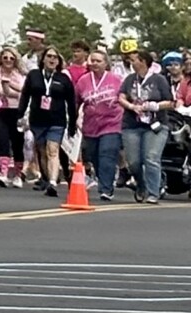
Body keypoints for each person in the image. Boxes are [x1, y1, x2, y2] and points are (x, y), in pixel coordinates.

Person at [19, 45, 77, 194]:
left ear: (59, 61)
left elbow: (71, 102)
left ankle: (52, 182)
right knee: (42, 151)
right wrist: (20, 113)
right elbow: (25, 95)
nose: (52, 59)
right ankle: (46, 177)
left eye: (55, 57)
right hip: (37, 119)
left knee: (53, 149)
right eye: (49, 56)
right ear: (43, 59)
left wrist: (72, 123)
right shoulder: (34, 75)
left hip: (57, 120)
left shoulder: (63, 78)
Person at [74, 42, 125, 201]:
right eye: (92, 61)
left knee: (107, 154)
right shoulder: (83, 81)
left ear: (106, 64)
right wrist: (73, 120)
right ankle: (103, 179)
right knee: (94, 155)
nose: (95, 63)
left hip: (112, 124)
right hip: (91, 126)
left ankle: (106, 188)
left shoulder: (116, 80)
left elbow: (125, 99)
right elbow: (77, 101)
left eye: (98, 61)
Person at [120, 45, 169, 204]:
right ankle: (141, 184)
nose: (131, 62)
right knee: (134, 162)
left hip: (155, 124)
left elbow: (171, 102)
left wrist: (155, 106)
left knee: (151, 158)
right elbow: (121, 97)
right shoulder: (129, 79)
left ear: (143, 62)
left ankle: (153, 192)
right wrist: (131, 106)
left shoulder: (158, 79)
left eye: (134, 60)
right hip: (132, 124)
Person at [0, 43, 28, 187]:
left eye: (11, 58)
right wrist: (13, 90)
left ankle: (18, 173)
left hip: (17, 111)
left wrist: (11, 86)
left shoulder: (21, 76)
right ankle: (3, 172)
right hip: (1, 111)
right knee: (1, 140)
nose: (8, 60)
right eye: (5, 57)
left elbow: (24, 92)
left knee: (18, 143)